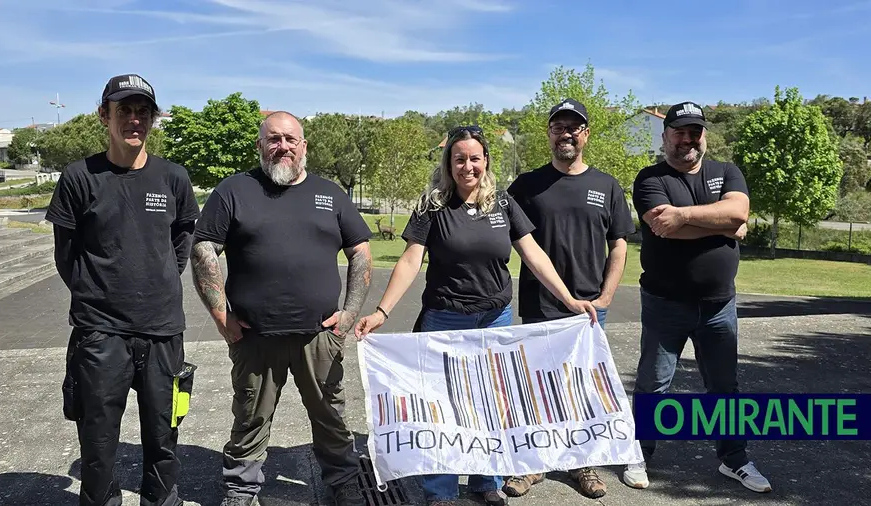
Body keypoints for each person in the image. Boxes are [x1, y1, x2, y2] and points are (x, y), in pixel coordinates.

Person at [354, 125, 600, 506]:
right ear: (448, 163)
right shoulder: (432, 206)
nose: (467, 166)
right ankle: (441, 492)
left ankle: (486, 482)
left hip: (495, 321)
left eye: (474, 158)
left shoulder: (502, 203)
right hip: (445, 321)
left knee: (491, 404)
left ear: (486, 160)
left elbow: (533, 254)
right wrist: (382, 312)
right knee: (442, 407)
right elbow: (410, 260)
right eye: (459, 159)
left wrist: (569, 299)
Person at [190, 111, 372, 506]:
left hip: (320, 336)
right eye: (274, 139)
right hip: (254, 336)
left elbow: (360, 251)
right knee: (250, 416)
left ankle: (344, 481)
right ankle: (241, 488)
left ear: (304, 146)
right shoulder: (234, 190)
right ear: (260, 145)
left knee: (331, 416)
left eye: (291, 139)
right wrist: (221, 316)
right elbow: (203, 249)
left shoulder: (330, 194)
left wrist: (350, 313)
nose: (282, 146)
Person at [45, 74, 200, 506]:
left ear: (152, 118)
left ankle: (161, 500)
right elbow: (65, 254)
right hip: (100, 334)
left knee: (164, 437)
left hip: (162, 331)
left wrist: (156, 282)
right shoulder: (79, 177)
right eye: (124, 110)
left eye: (143, 111)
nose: (134, 119)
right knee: (97, 443)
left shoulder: (173, 177)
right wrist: (101, 293)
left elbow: (181, 242)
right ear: (104, 115)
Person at [627, 101, 771, 493]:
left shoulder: (727, 171)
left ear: (704, 135)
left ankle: (734, 459)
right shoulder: (650, 178)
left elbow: (738, 212)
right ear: (666, 136)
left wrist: (686, 216)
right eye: (680, 132)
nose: (688, 139)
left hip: (718, 305)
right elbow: (664, 226)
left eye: (696, 132)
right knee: (653, 383)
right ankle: (639, 452)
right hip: (665, 303)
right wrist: (722, 225)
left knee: (725, 387)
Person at [502, 98, 636, 499]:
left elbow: (619, 244)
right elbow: (499, 232)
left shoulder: (607, 186)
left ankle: (582, 462)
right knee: (536, 385)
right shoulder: (526, 186)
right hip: (540, 305)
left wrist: (607, 296)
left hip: (590, 309)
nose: (566, 134)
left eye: (574, 127)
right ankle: (534, 462)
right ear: (549, 134)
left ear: (586, 135)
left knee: (580, 387)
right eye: (558, 127)